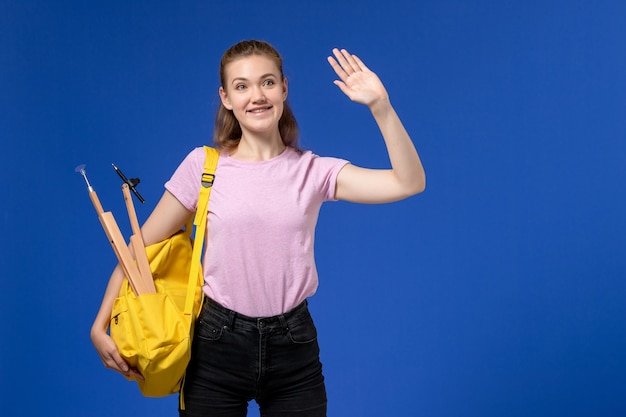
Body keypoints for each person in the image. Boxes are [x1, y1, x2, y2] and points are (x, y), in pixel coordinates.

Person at [91, 39, 425, 417]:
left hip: (293, 344)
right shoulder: (204, 167)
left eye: (267, 82)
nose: (257, 96)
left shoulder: (313, 171)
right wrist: (100, 324)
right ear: (226, 98)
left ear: (284, 88)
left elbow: (408, 182)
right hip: (214, 342)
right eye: (241, 86)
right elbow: (137, 250)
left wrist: (381, 107)